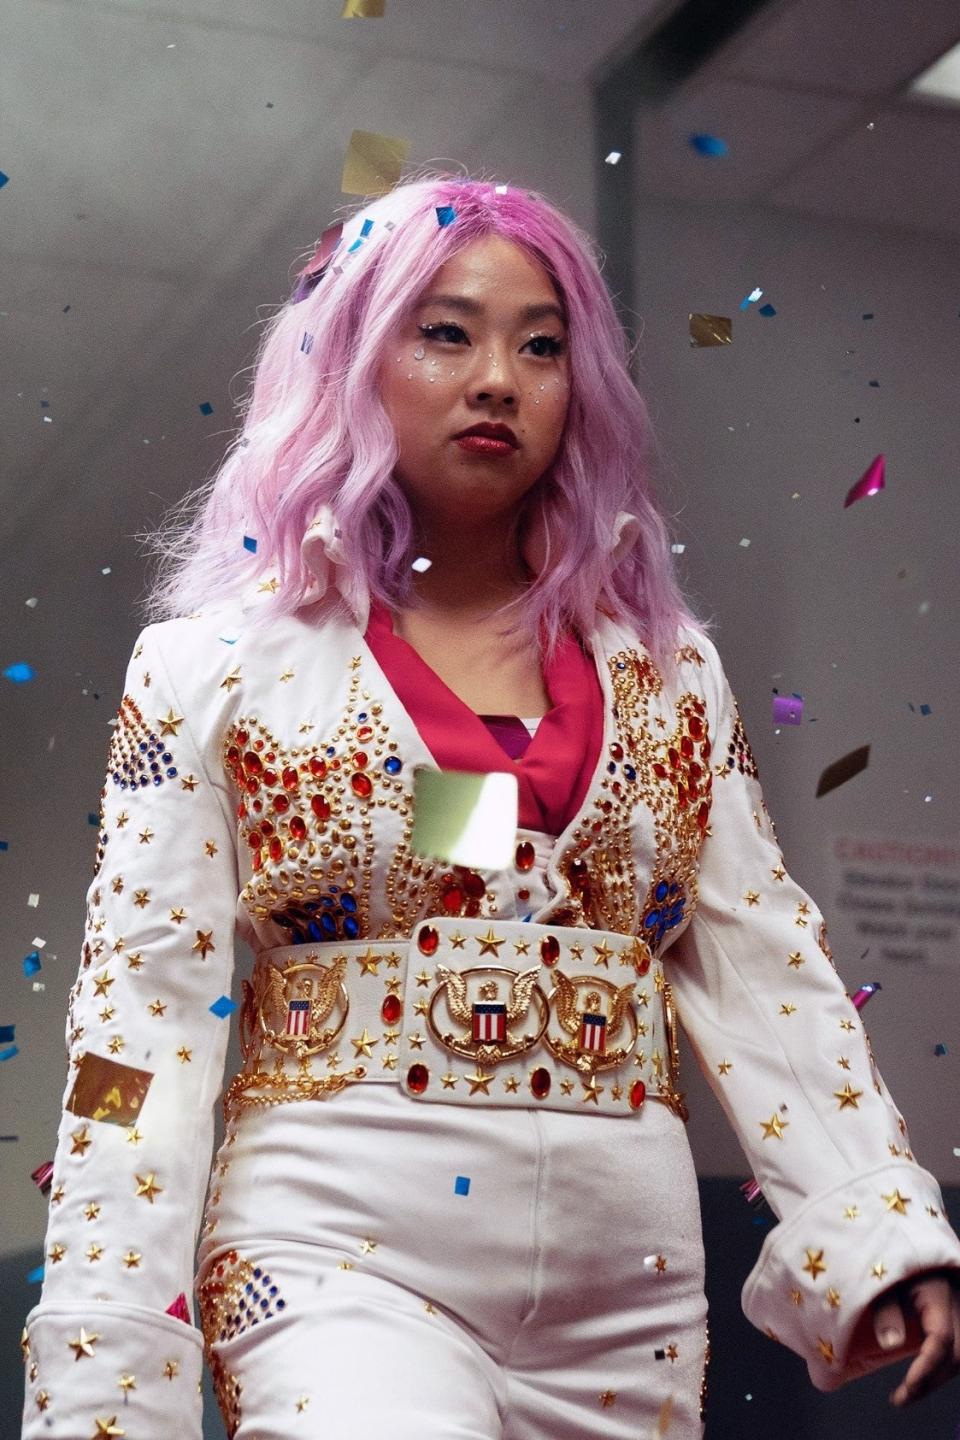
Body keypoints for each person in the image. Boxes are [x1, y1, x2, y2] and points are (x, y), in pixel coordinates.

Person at [20, 172, 960, 1440]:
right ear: (353, 356)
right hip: (334, 1250)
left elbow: (761, 963)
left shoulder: (670, 671)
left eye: (542, 344)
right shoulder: (216, 670)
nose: (500, 379)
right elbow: (142, 1031)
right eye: (447, 332)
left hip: (627, 1287)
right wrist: (105, 1378)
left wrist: (879, 1231)